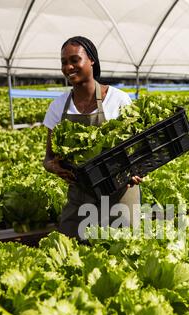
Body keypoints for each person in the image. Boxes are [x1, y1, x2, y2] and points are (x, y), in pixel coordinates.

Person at [43, 36, 142, 240]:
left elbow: (139, 149)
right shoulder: (58, 106)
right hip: (81, 196)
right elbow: (48, 158)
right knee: (70, 251)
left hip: (119, 195)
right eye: (64, 62)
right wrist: (54, 167)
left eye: (74, 60)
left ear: (91, 61)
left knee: (122, 256)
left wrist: (137, 169)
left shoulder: (118, 99)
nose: (68, 67)